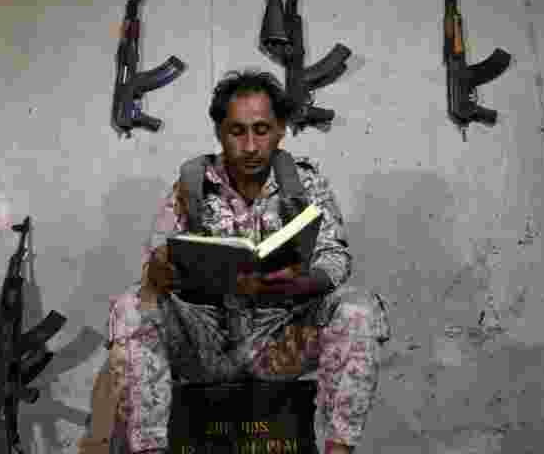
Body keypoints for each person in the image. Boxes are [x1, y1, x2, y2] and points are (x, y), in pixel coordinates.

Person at [79, 69, 390, 454]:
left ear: (281, 131)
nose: (249, 146)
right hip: (206, 342)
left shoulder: (305, 184)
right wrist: (163, 270)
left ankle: (338, 450)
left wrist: (304, 282)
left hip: (280, 341)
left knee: (357, 308)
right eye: (237, 131)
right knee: (130, 309)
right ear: (219, 132)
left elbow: (336, 256)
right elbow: (156, 263)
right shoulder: (191, 185)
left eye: (261, 130)